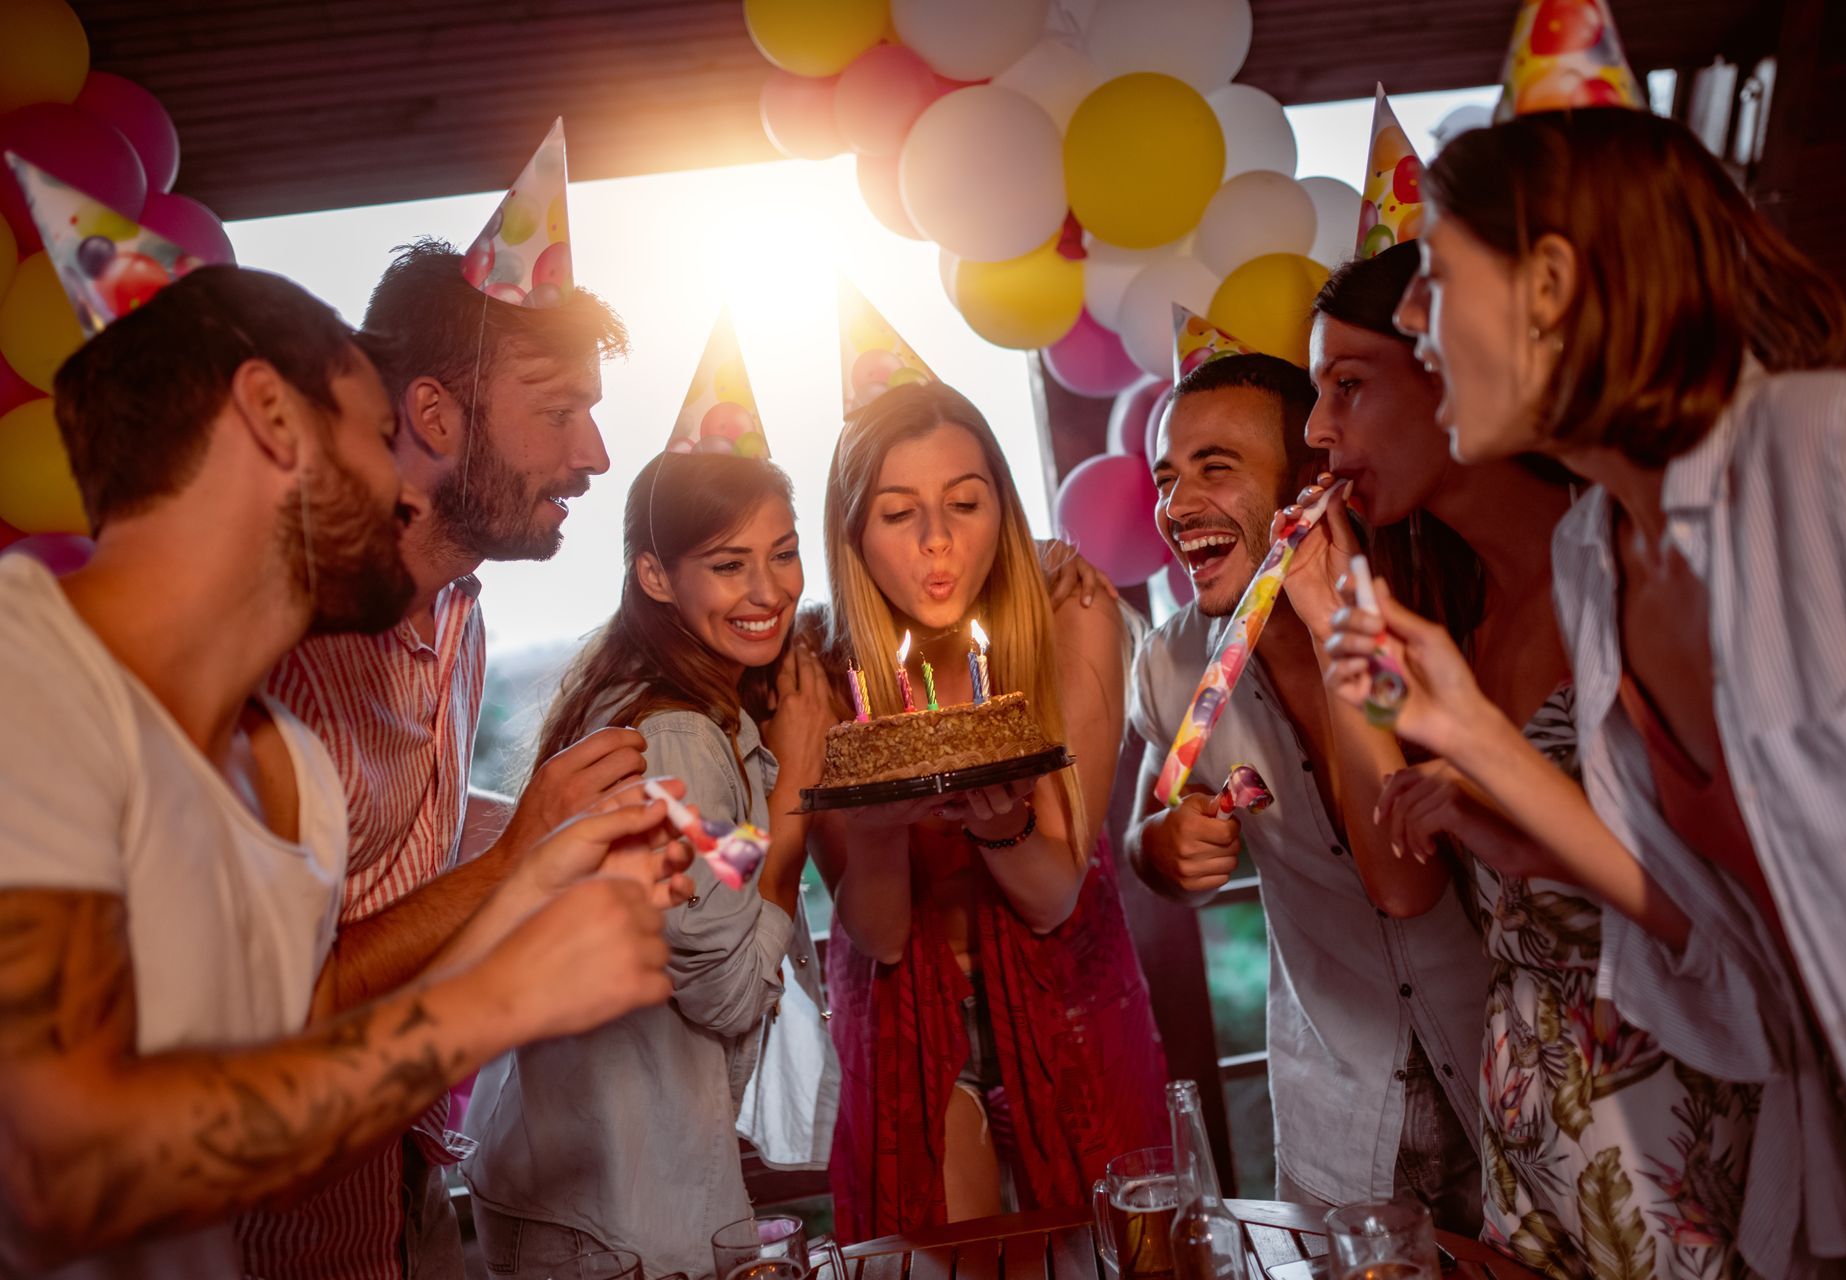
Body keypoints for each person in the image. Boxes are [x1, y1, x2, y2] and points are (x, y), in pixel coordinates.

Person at [1324, 106, 1846, 1275]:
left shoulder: (1834, 447)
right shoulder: (1599, 555)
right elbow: (1729, 949)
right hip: (1845, 1164)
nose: (1408, 319)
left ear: (1548, 281)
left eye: (1435, 279)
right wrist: (1476, 738)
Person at [0, 267, 679, 1279]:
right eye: (374, 435)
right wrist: (495, 996)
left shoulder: (286, 772)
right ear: (273, 417)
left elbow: (297, 1045)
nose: (407, 488)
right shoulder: (26, 680)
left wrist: (538, 878)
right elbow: (57, 1175)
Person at [1298, 241, 1757, 1276]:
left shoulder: (1630, 573)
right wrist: (1331, 621)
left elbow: (1730, 905)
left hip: (1674, 1144)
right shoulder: (1470, 617)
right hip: (1536, 1167)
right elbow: (1397, 878)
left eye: (1350, 386)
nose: (1320, 432)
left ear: (1448, 361)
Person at [236, 239, 655, 1280]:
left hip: (410, 1174)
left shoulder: (461, 609)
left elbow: (398, 822)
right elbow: (284, 992)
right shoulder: (284, 644)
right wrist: (515, 854)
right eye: (557, 411)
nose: (596, 451)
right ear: (432, 416)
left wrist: (566, 830)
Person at [1123, 351, 1487, 1232]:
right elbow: (1148, 825)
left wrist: (1331, 628)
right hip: (1334, 1117)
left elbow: (1410, 883)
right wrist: (1161, 850)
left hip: (1502, 1080)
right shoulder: (1174, 665)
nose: (1176, 507)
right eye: (1168, 478)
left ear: (1312, 483)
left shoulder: (1423, 613)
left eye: (1216, 467)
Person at [463, 450, 836, 1279]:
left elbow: (721, 873)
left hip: (592, 1188)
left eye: (783, 552)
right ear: (657, 577)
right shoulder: (676, 734)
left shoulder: (678, 708)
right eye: (729, 565)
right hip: (613, 1216)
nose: (769, 591)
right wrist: (798, 790)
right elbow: (729, 989)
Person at [815, 381, 1166, 1236]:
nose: (939, 540)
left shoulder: (1070, 614)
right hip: (906, 1016)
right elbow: (883, 935)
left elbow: (1052, 897)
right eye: (900, 514)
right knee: (933, 1253)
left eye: (965, 503)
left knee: (1119, 1251)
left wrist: (995, 818)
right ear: (854, 533)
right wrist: (876, 829)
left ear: (1001, 508)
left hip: (1070, 997)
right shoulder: (822, 670)